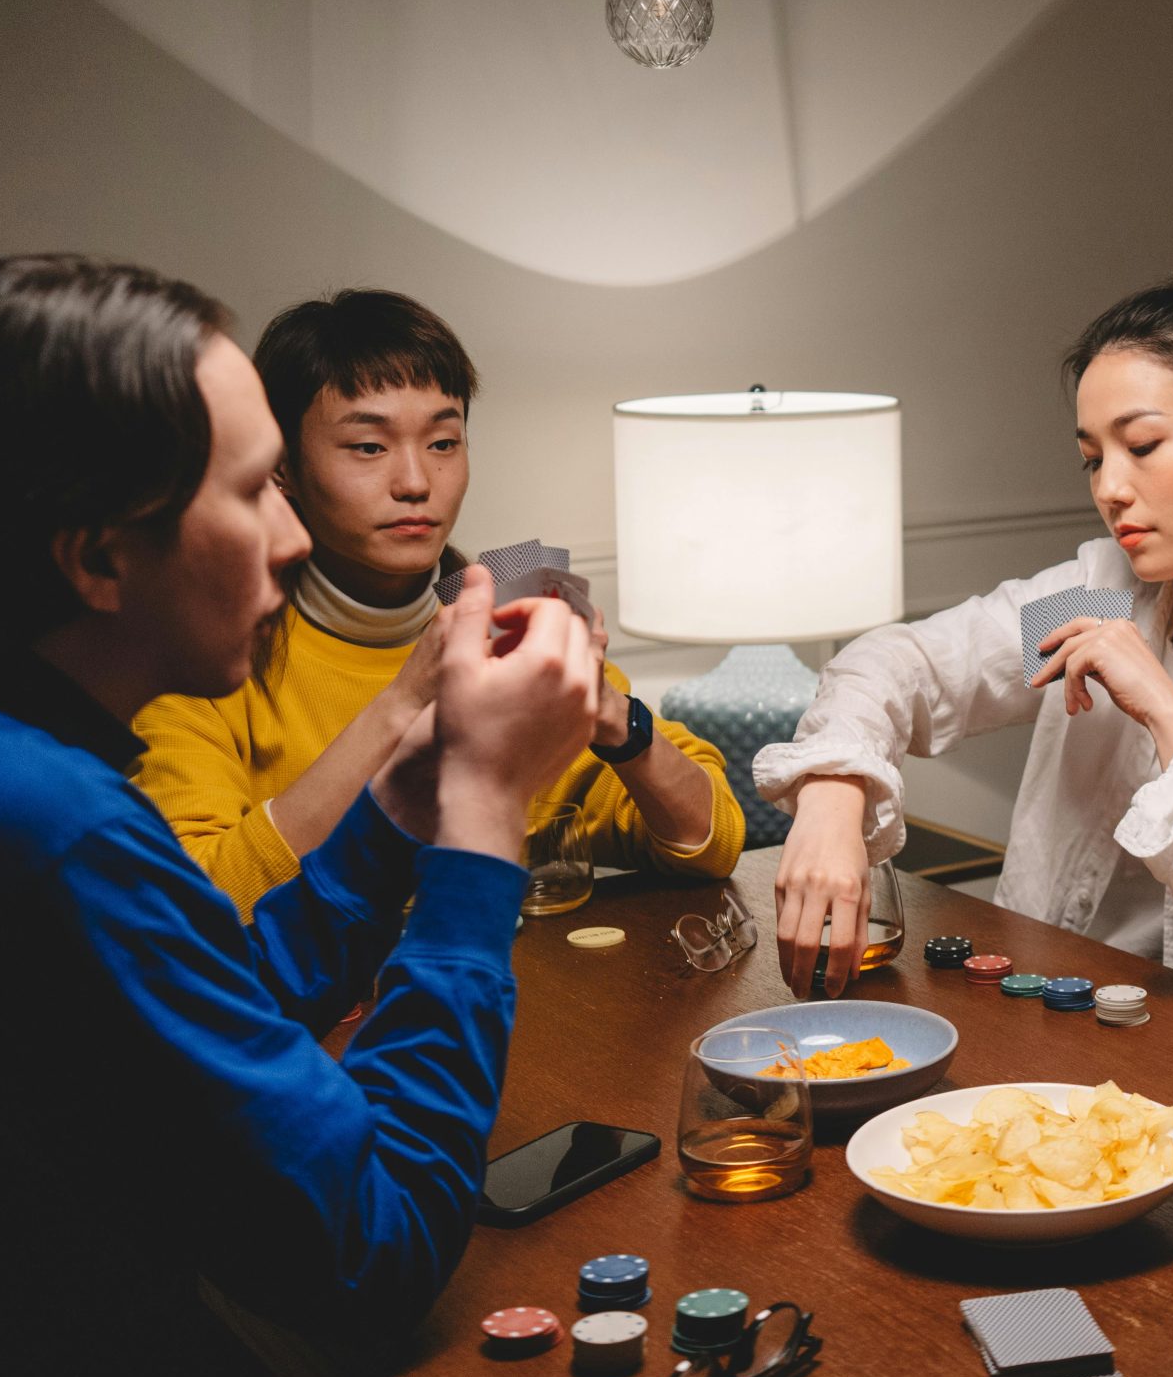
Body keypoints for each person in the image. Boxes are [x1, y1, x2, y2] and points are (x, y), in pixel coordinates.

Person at [0, 257, 600, 1377]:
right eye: (257, 488)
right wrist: (479, 824)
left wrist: (400, 813)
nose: (291, 537)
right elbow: (372, 1257)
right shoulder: (43, 834)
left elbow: (182, 1005)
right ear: (100, 556)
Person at [758, 227, 1173, 1024]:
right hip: (1051, 1040)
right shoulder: (1102, 599)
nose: (1110, 488)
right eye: (1091, 458)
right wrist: (834, 794)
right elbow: (904, 664)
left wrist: (1171, 719)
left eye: (1142, 445)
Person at [133, 288, 741, 918]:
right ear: (281, 467)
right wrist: (406, 700)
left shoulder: (508, 610)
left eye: (443, 442)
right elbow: (196, 909)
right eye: (369, 447)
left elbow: (710, 841)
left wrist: (613, 714)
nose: (417, 482)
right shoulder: (206, 655)